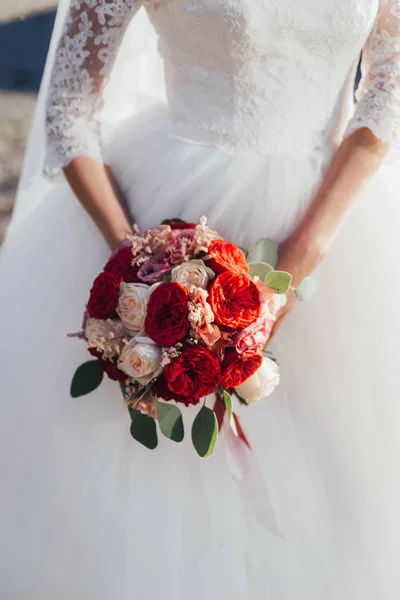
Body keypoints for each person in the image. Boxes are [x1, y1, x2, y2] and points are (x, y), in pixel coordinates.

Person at [1, 0, 400, 598]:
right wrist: (144, 266)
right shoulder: (148, 261)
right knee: (155, 475)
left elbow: (389, 84)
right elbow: (68, 109)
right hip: (166, 218)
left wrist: (305, 250)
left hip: (336, 225)